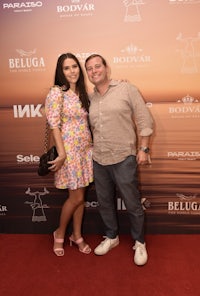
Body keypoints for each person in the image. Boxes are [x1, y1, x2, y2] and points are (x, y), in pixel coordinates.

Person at [85, 54, 154, 266]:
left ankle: (139, 242)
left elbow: (144, 118)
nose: (94, 70)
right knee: (104, 202)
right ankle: (111, 237)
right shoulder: (90, 98)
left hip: (124, 156)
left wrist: (143, 148)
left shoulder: (126, 89)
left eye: (98, 66)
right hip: (99, 158)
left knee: (133, 203)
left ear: (106, 68)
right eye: (89, 68)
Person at [45, 53, 93, 256]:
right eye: (66, 68)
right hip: (70, 152)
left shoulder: (83, 92)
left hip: (85, 151)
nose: (72, 71)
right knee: (75, 197)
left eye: (74, 66)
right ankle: (60, 233)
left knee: (80, 197)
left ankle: (77, 235)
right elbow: (54, 124)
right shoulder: (57, 92)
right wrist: (63, 154)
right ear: (60, 72)